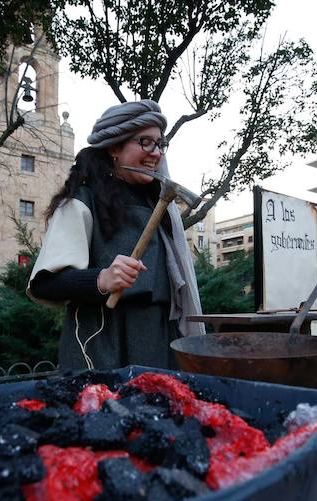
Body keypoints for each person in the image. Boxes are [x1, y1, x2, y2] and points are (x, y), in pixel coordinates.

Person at [28, 100, 205, 371]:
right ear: (114, 147)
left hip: (158, 345)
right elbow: (44, 283)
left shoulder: (159, 209)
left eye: (160, 144)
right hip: (100, 346)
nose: (156, 153)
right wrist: (102, 279)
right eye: (145, 142)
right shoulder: (81, 201)